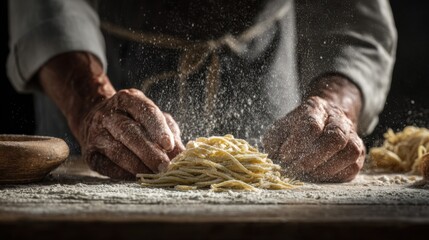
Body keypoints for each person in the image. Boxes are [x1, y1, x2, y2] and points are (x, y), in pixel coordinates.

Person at [7, 0, 397, 182]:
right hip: (94, 62)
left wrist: (335, 106)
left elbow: (354, 19)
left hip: (260, 58)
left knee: (274, 182)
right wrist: (90, 104)